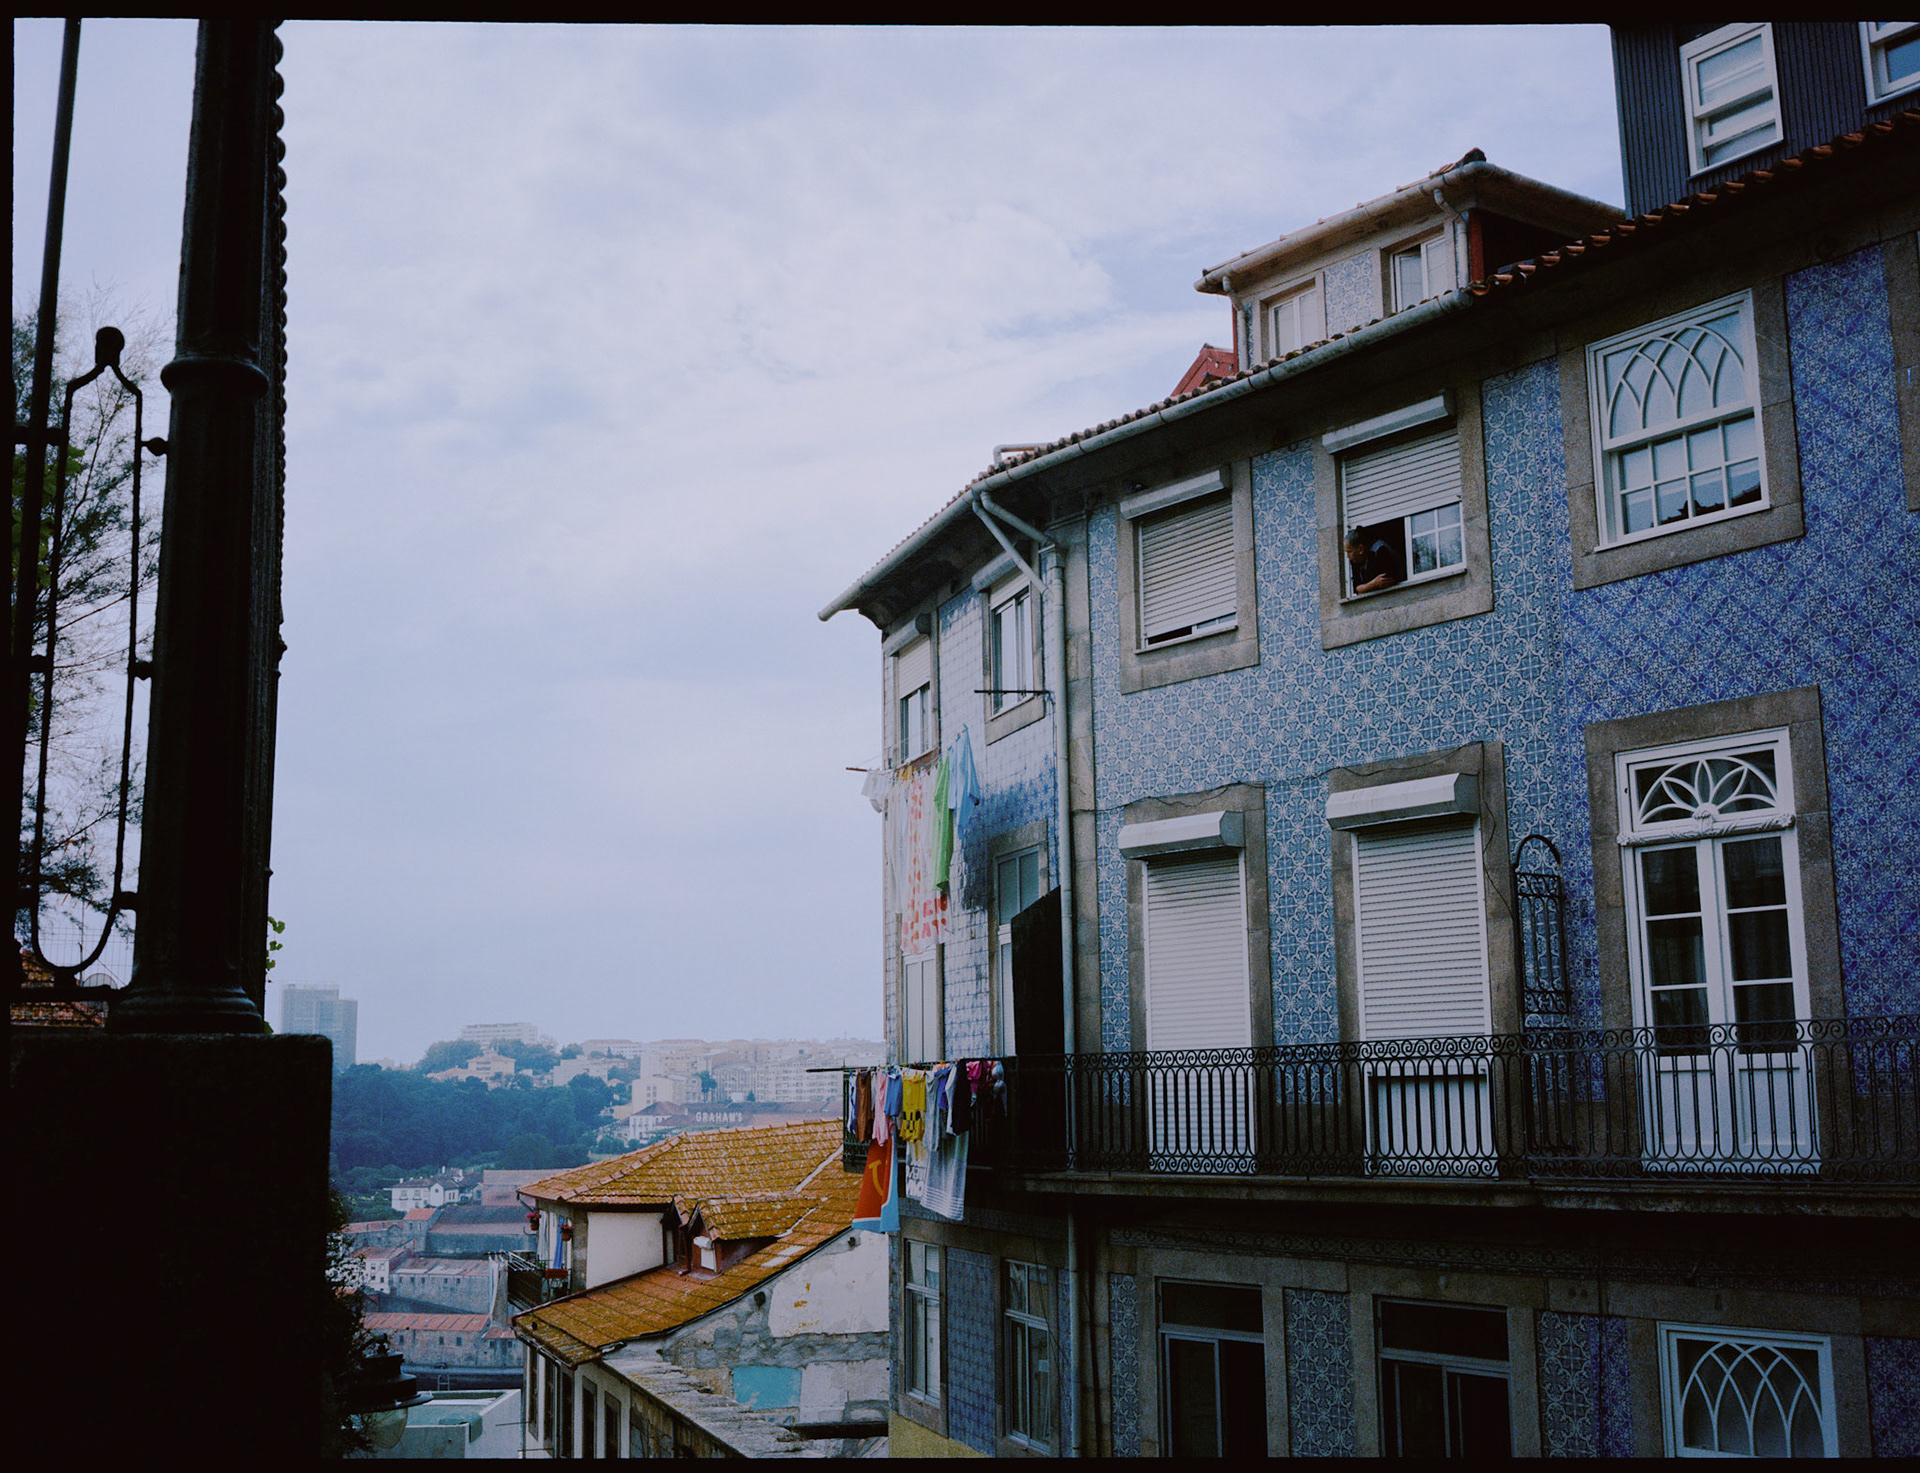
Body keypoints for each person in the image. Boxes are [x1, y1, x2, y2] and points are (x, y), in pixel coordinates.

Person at [1345, 525, 1405, 595]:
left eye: (1349, 552)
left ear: (1361, 549)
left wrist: (1365, 587)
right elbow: (1356, 589)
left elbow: (1384, 582)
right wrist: (1372, 584)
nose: (1348, 556)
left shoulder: (1381, 551)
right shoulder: (1356, 561)